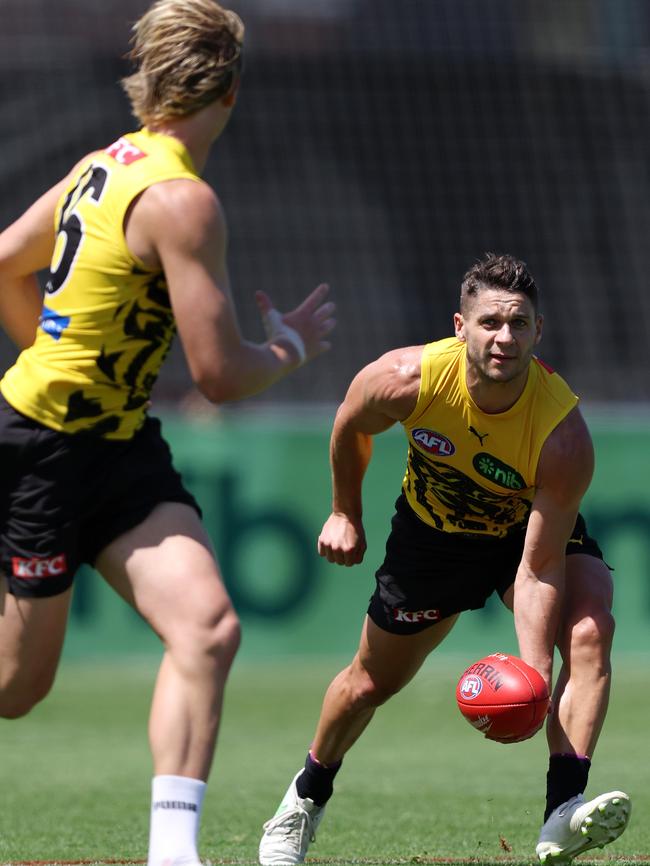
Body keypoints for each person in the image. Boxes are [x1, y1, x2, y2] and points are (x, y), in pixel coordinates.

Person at [0, 2, 335, 865]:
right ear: (228, 92)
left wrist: (54, 349)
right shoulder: (182, 199)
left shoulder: (102, 165)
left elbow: (7, 262)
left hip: (116, 445)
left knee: (208, 627)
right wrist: (290, 347)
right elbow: (221, 378)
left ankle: (172, 856)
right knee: (14, 689)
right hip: (41, 449)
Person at [258, 253, 630, 866]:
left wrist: (532, 678)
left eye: (518, 324)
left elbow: (537, 568)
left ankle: (562, 814)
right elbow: (351, 423)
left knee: (591, 630)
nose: (503, 337)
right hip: (433, 538)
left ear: (539, 331)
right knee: (368, 683)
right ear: (460, 326)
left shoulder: (563, 434)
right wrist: (344, 511)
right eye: (489, 323)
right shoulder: (407, 377)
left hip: (522, 537)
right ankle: (303, 801)